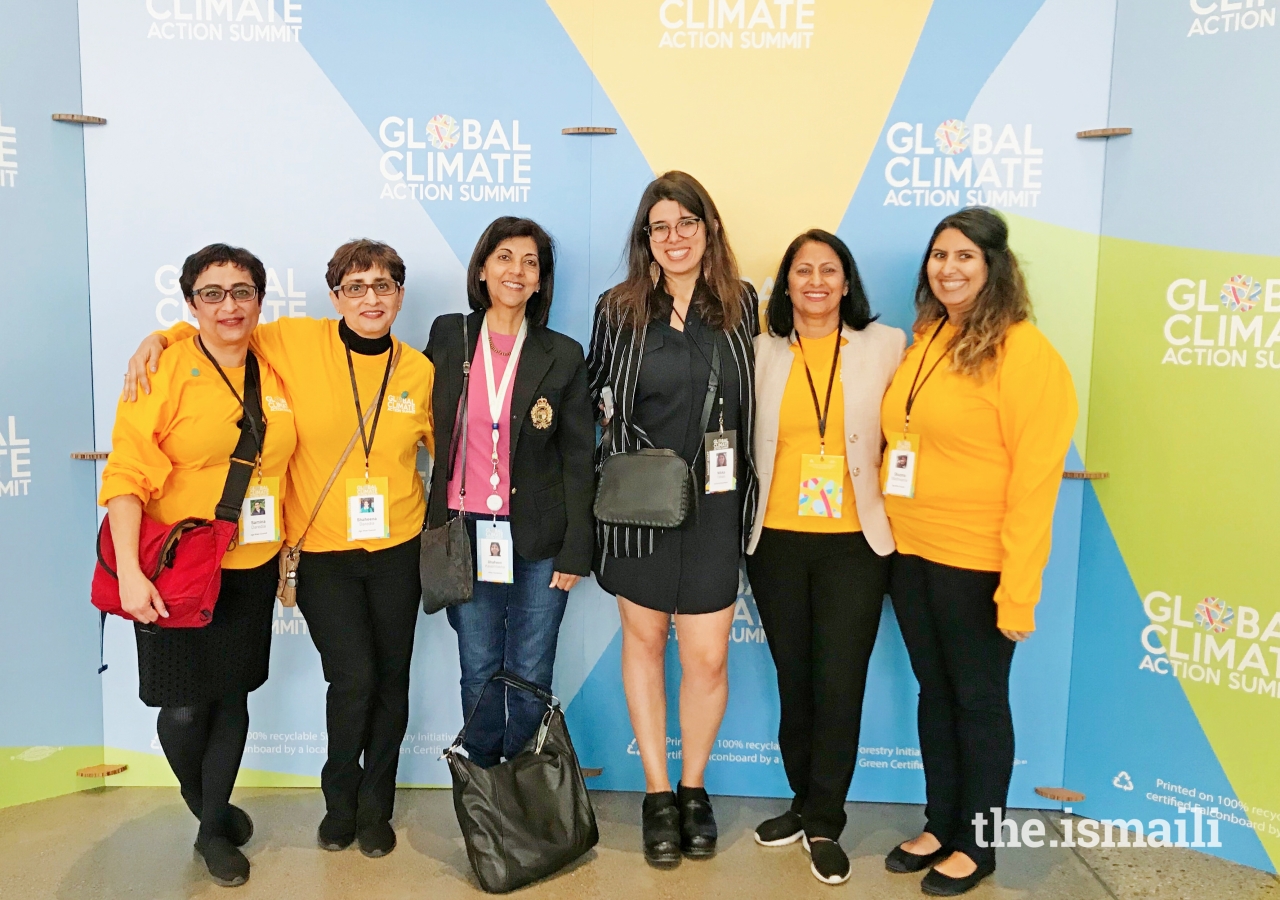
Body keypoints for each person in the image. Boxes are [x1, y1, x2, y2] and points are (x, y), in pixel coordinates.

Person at [124, 239, 434, 859]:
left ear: (400, 295)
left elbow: (447, 450)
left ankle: (377, 810)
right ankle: (339, 803)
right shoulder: (294, 341)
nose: (370, 298)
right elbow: (218, 331)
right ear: (335, 296)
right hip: (318, 551)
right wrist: (155, 337)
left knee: (392, 681)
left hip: (399, 543)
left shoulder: (421, 370)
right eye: (356, 286)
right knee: (351, 679)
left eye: (384, 286)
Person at [880, 208, 1076, 896]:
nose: (949, 268)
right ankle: (942, 822)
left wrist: (1017, 588)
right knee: (937, 694)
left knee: (979, 701)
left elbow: (1034, 483)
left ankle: (979, 841)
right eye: (939, 255)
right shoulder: (930, 336)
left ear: (994, 267)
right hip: (912, 554)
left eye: (964, 256)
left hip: (978, 563)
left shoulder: (1025, 354)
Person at [102, 244, 298, 887]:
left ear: (259, 301)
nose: (228, 305)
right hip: (175, 567)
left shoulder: (272, 358)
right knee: (184, 707)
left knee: (232, 693)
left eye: (241, 291)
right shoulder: (159, 371)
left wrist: (160, 331)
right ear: (190, 304)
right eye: (211, 294)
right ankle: (205, 807)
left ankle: (212, 823)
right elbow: (127, 475)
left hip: (249, 562)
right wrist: (130, 572)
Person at [586, 171, 758, 867]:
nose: (675, 237)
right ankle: (658, 792)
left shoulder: (743, 304)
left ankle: (695, 787)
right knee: (645, 643)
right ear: (645, 240)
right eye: (660, 226)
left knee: (708, 656)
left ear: (708, 229)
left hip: (717, 508)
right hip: (642, 506)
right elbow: (595, 389)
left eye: (687, 222)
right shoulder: (617, 308)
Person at [744, 230, 904, 884]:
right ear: (786, 285)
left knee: (840, 682)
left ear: (846, 282)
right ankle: (802, 801)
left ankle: (826, 820)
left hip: (855, 544)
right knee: (795, 679)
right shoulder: (759, 351)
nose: (815, 281)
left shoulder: (886, 346)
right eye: (802, 270)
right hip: (775, 540)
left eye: (828, 270)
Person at [423, 216, 594, 769]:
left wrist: (576, 549)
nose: (515, 271)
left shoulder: (562, 354)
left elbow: (577, 459)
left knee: (530, 668)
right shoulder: (449, 336)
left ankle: (522, 786)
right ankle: (483, 782)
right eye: (504, 257)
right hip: (464, 535)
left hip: (540, 535)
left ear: (541, 281)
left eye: (530, 263)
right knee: (476, 664)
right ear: (481, 268)